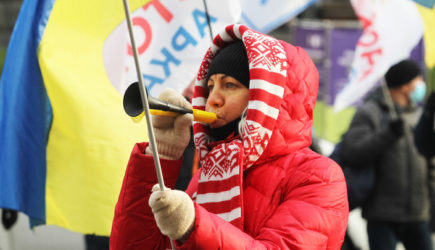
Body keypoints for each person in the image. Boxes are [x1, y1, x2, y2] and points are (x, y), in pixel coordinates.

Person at [110, 24, 349, 249]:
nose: (212, 99)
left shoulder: (320, 177)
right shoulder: (214, 170)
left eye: (230, 85)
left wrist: (194, 226)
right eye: (211, 85)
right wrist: (161, 155)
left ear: (264, 97)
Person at [341, 59, 434, 250]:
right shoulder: (370, 113)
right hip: (382, 214)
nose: (421, 85)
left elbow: (429, 161)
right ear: (405, 86)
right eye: (418, 80)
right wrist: (387, 134)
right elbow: (353, 153)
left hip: (418, 214)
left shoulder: (418, 115)